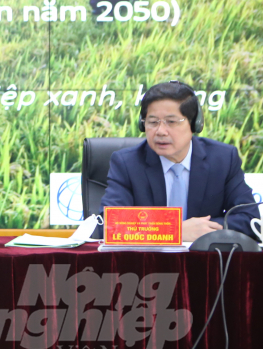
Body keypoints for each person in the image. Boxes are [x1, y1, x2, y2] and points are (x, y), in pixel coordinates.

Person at [100, 82, 260, 241]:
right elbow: (108, 225)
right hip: (148, 262)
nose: (160, 131)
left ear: (194, 124)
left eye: (171, 122)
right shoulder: (127, 163)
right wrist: (174, 231)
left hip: (205, 262)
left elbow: (250, 220)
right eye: (153, 122)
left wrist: (201, 230)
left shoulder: (223, 159)